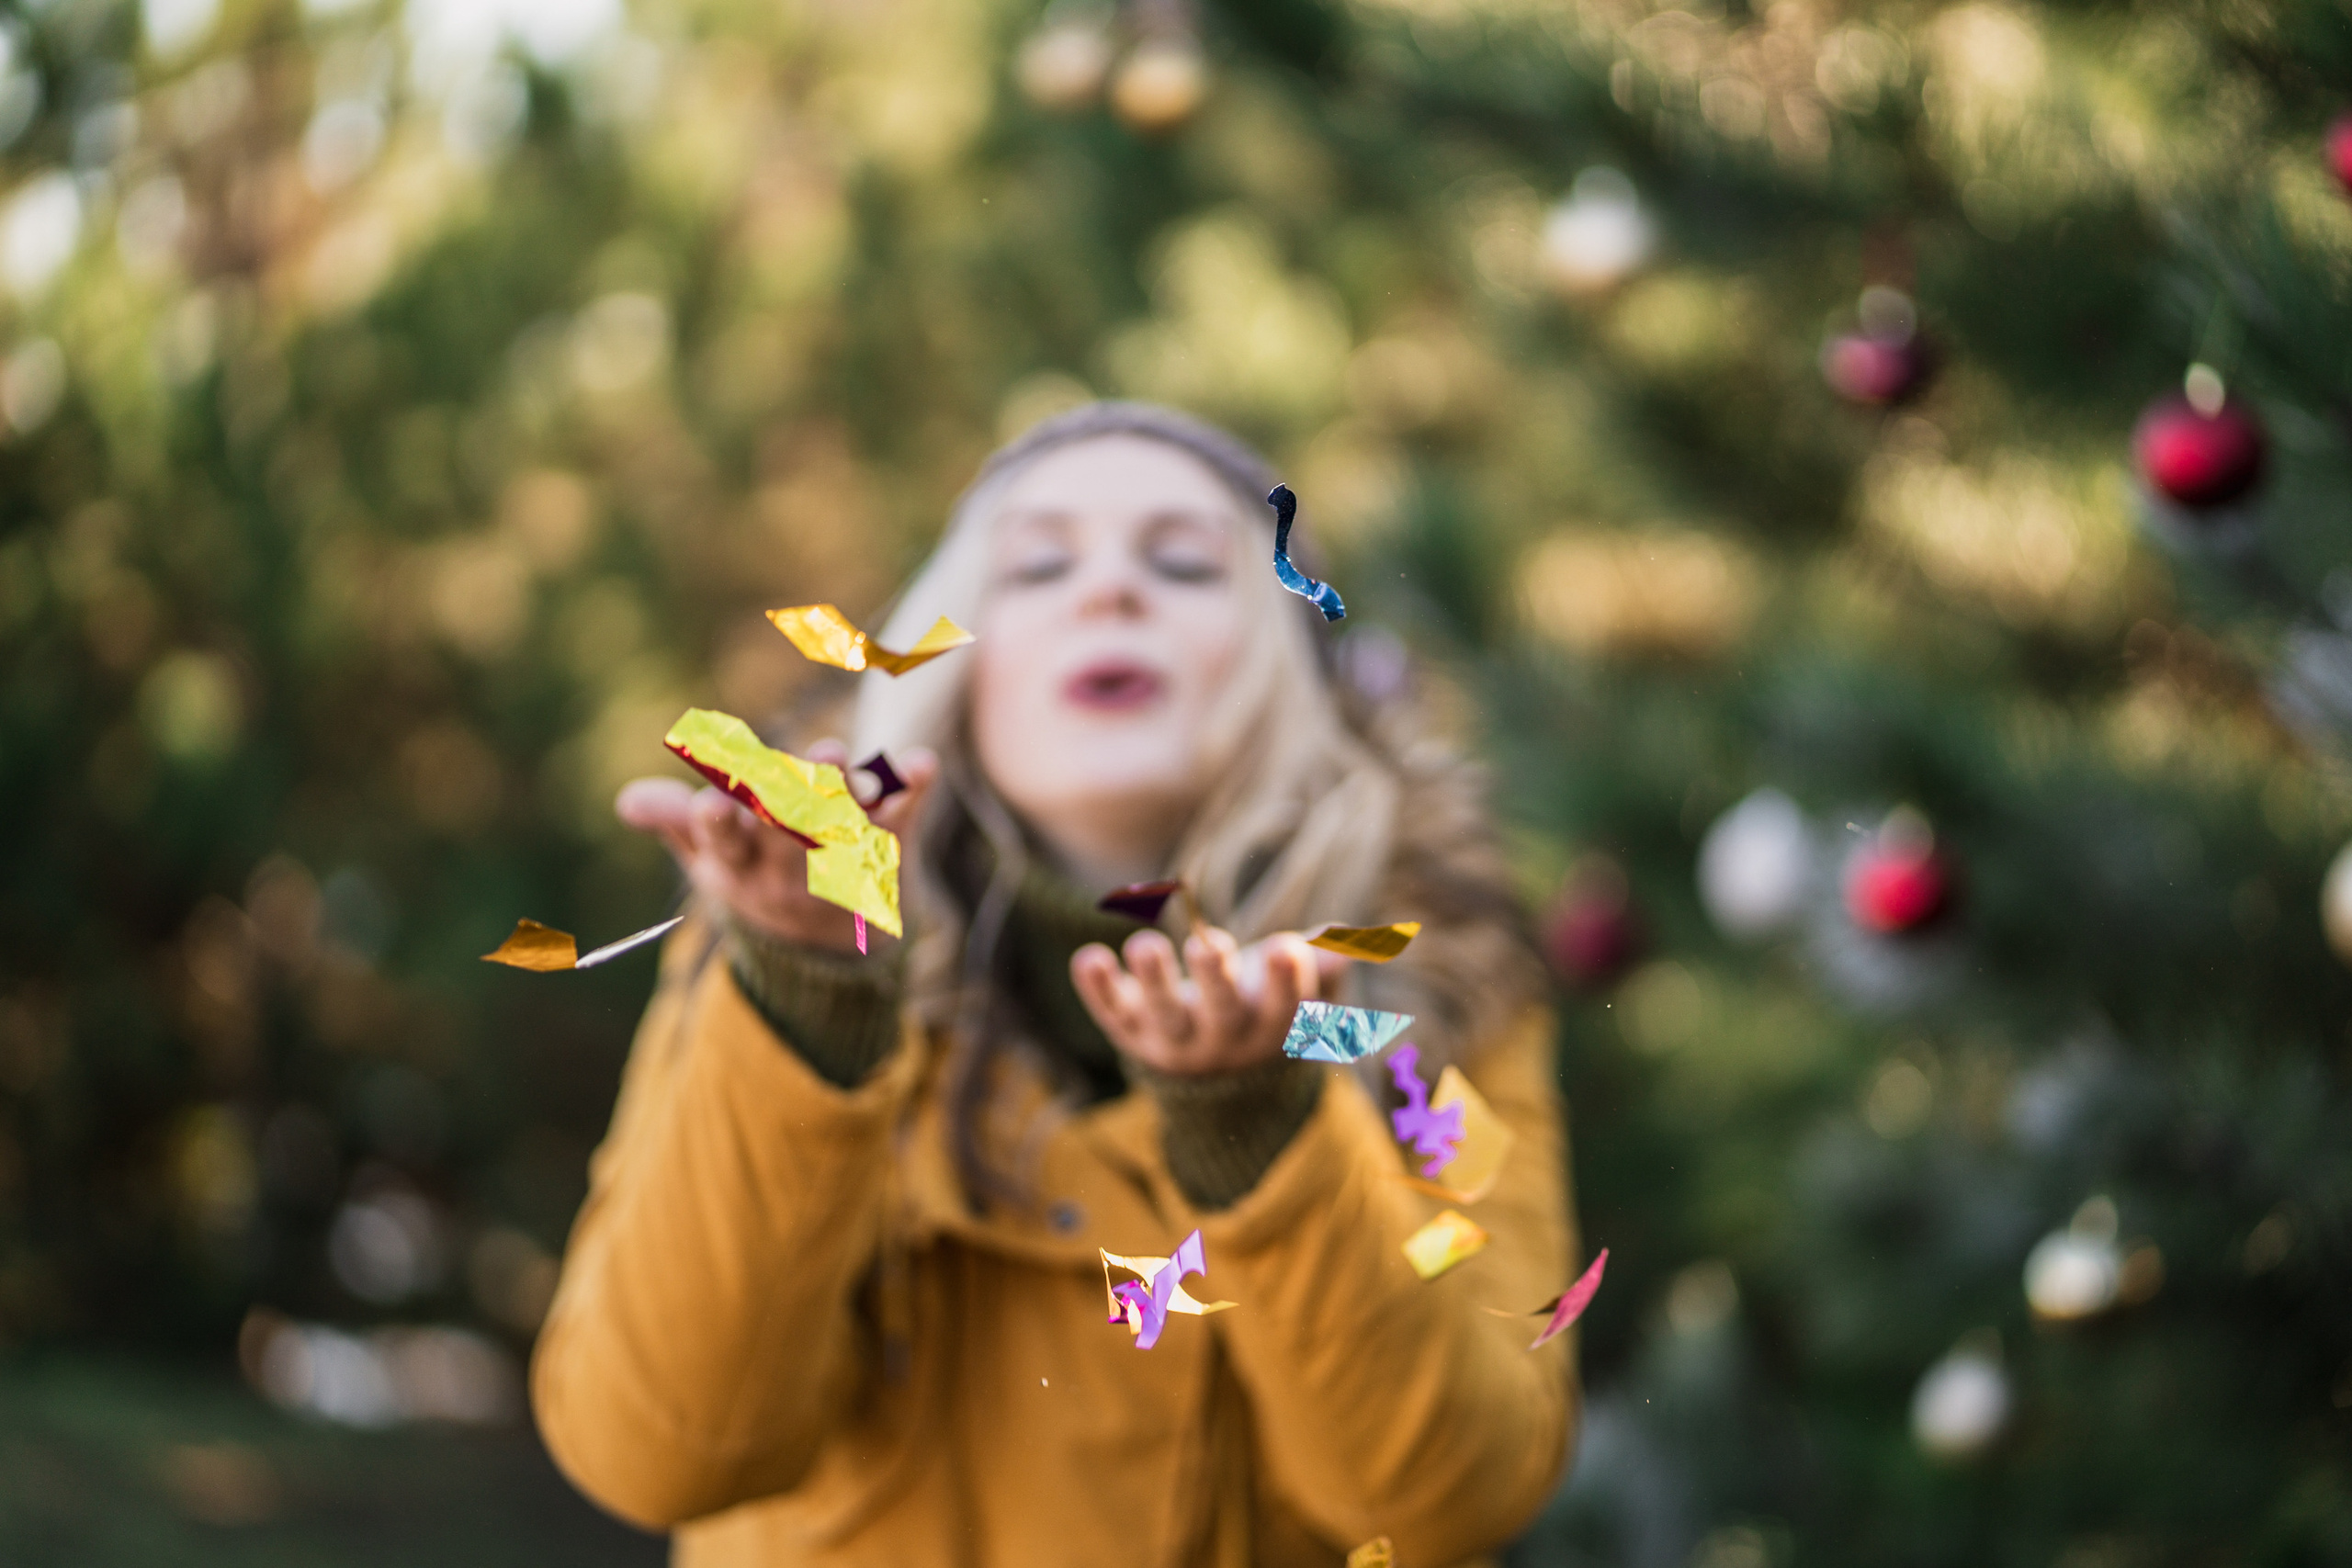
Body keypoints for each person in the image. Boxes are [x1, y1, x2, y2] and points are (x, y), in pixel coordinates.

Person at [530, 402, 1584, 1565]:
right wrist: (809, 1001)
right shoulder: (780, 946)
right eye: (1038, 566)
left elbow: (1455, 1497)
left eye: (1183, 563)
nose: (1110, 593)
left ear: (1293, 671)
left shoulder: (1434, 990)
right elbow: (657, 1449)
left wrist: (1260, 1131)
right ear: (957, 664)